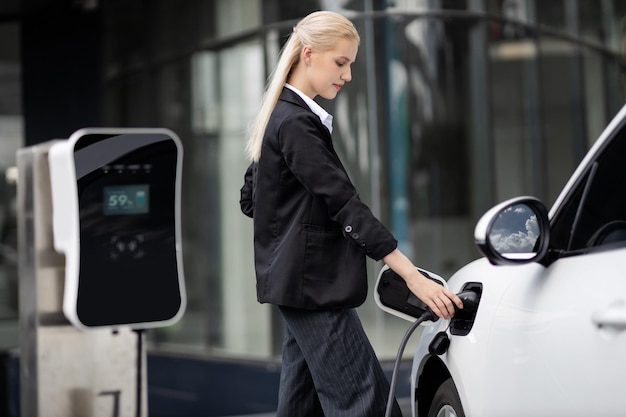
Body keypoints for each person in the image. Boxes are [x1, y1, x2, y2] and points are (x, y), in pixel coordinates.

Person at [240, 10, 463, 417]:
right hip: (313, 290)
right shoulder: (295, 124)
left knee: (301, 406)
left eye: (351, 65)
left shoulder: (284, 118)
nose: (347, 75)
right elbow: (344, 204)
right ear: (308, 54)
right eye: (341, 63)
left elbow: (251, 200)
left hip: (301, 289)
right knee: (367, 406)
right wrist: (412, 277)